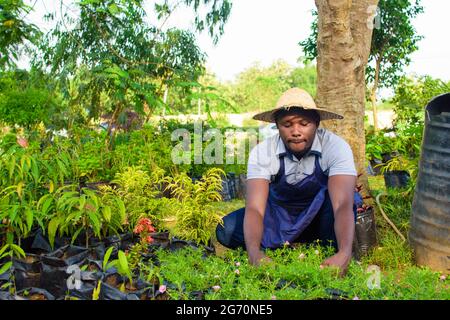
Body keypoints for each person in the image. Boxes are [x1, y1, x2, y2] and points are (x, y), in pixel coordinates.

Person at [216, 88, 362, 276]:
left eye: (304, 123)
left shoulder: (335, 147)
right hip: (279, 218)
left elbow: (342, 204)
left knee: (342, 209)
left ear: (316, 123)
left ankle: (317, 245)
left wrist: (344, 253)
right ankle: (287, 243)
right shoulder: (263, 152)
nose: (296, 131)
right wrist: (254, 254)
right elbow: (255, 209)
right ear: (277, 125)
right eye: (287, 124)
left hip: (320, 218)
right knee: (226, 230)